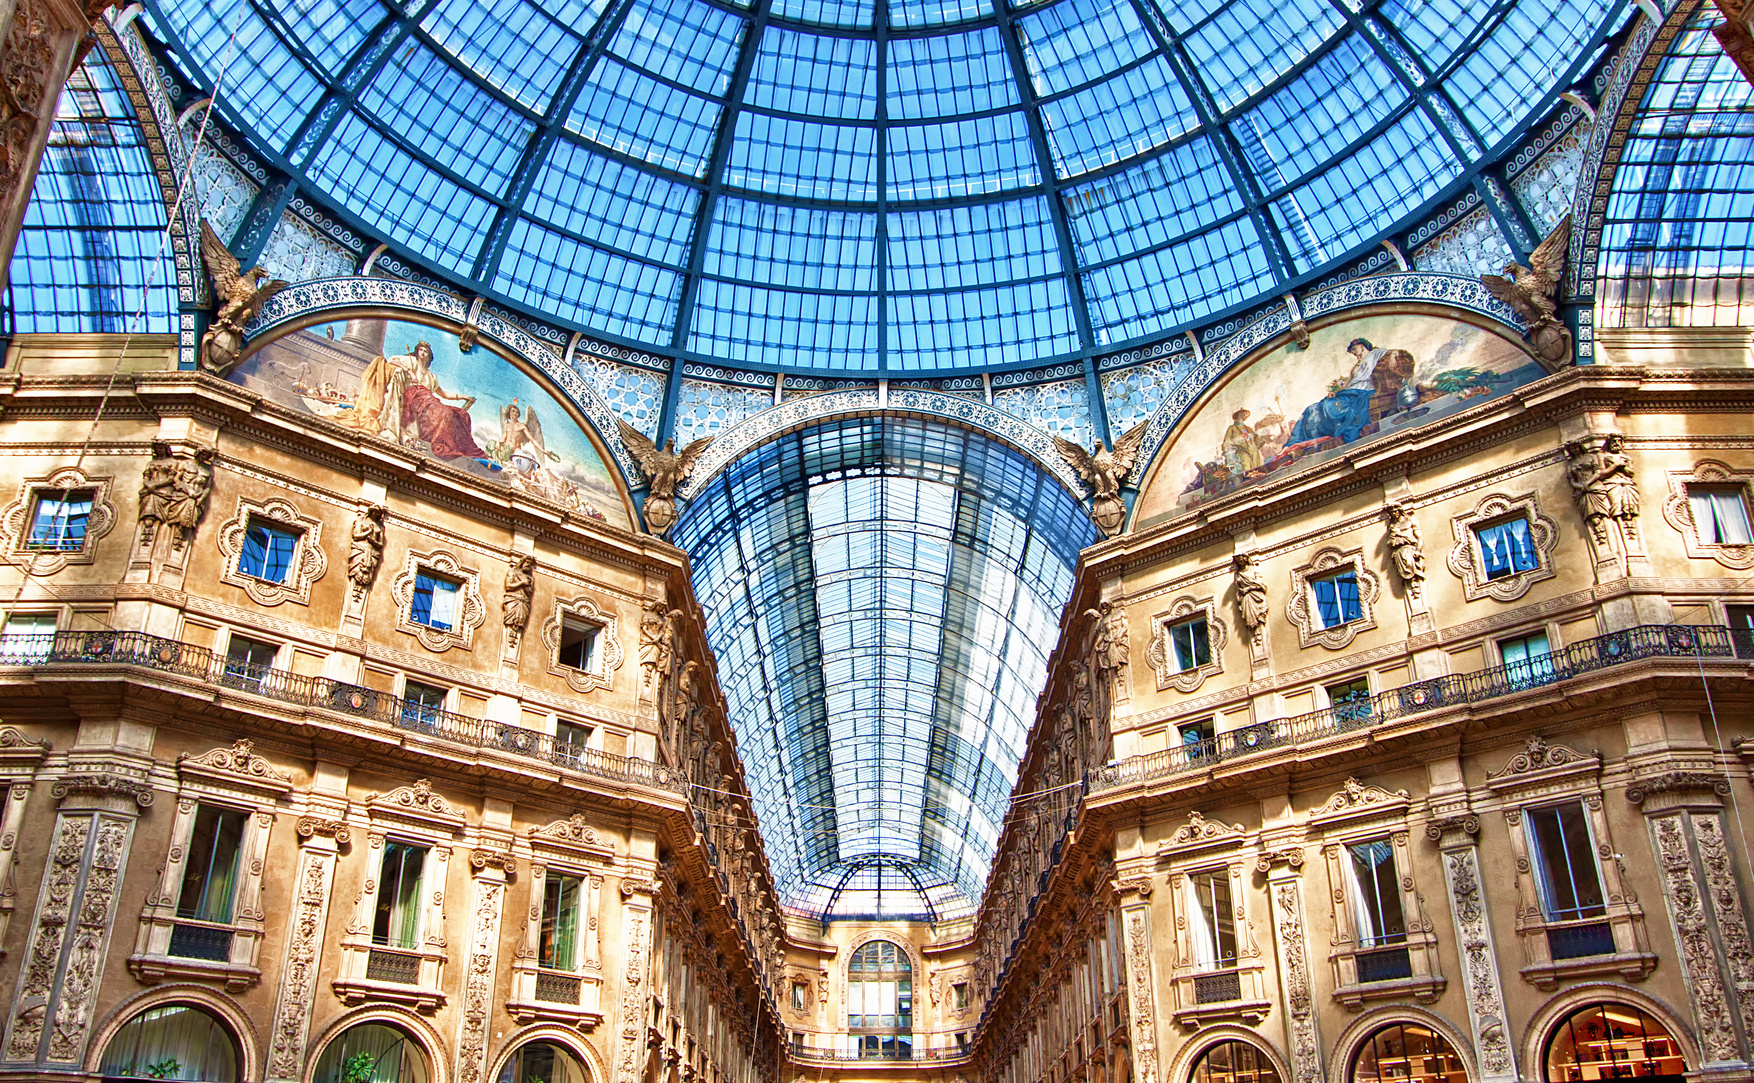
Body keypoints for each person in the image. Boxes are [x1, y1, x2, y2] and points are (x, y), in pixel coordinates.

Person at [1222, 408, 1262, 475]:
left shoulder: (1249, 428)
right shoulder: (1232, 428)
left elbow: (1257, 440)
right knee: (1247, 470)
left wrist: (1261, 435)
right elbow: (1226, 443)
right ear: (1238, 415)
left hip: (1254, 452)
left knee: (1257, 470)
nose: (1245, 416)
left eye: (1246, 414)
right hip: (1242, 452)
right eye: (1243, 414)